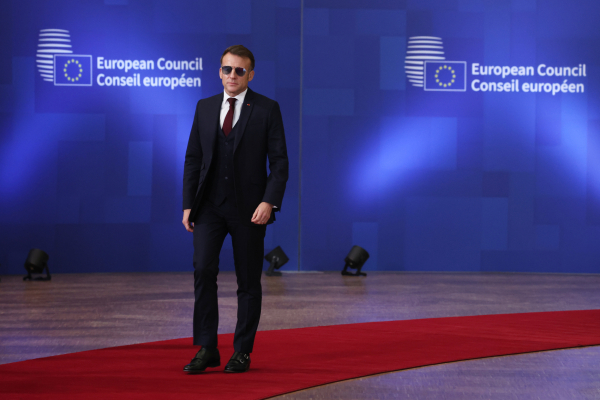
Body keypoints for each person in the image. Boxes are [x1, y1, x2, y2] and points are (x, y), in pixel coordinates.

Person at [181, 45, 288, 373]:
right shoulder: (204, 107)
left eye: (239, 70)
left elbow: (279, 162)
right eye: (227, 69)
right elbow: (193, 159)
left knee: (248, 281)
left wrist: (268, 201)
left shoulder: (267, 108)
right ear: (219, 72)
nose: (232, 75)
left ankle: (242, 350)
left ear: (250, 75)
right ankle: (207, 347)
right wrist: (188, 205)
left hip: (250, 209)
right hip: (208, 207)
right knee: (203, 270)